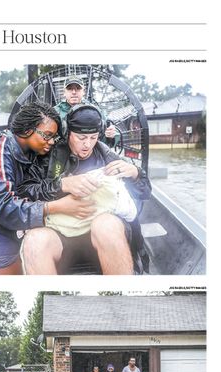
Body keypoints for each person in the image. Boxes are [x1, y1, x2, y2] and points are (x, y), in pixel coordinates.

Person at [19, 104, 151, 274]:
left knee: (107, 226)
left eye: (93, 137)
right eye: (81, 137)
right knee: (35, 241)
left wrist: (135, 174)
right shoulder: (48, 157)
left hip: (100, 235)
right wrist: (62, 185)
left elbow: (145, 193)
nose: (87, 144)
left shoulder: (108, 155)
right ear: (68, 133)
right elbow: (25, 191)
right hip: (60, 237)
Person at [0, 101, 92, 274]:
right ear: (28, 130)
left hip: (22, 213)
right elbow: (3, 208)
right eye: (48, 135)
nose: (51, 142)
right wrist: (58, 207)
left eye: (54, 137)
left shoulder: (35, 149)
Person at [55, 76, 118, 142]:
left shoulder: (94, 110)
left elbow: (107, 133)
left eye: (78, 88)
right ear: (64, 92)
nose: (74, 92)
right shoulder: (55, 112)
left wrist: (111, 135)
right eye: (70, 89)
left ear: (83, 92)